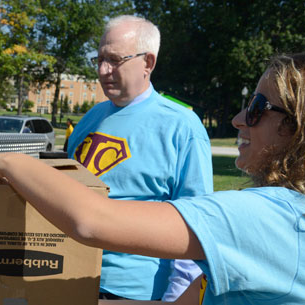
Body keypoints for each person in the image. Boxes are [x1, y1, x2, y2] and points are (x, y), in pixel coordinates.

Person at [0, 45, 305, 304]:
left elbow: (94, 221)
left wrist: (10, 162)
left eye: (257, 107)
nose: (239, 119)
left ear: (303, 126)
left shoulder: (273, 215)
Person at [64, 15, 212, 301]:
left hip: (133, 293)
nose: (104, 70)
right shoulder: (91, 118)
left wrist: (176, 297)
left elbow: (197, 221)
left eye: (115, 60)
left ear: (148, 63)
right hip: (70, 278)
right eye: (99, 59)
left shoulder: (182, 126)